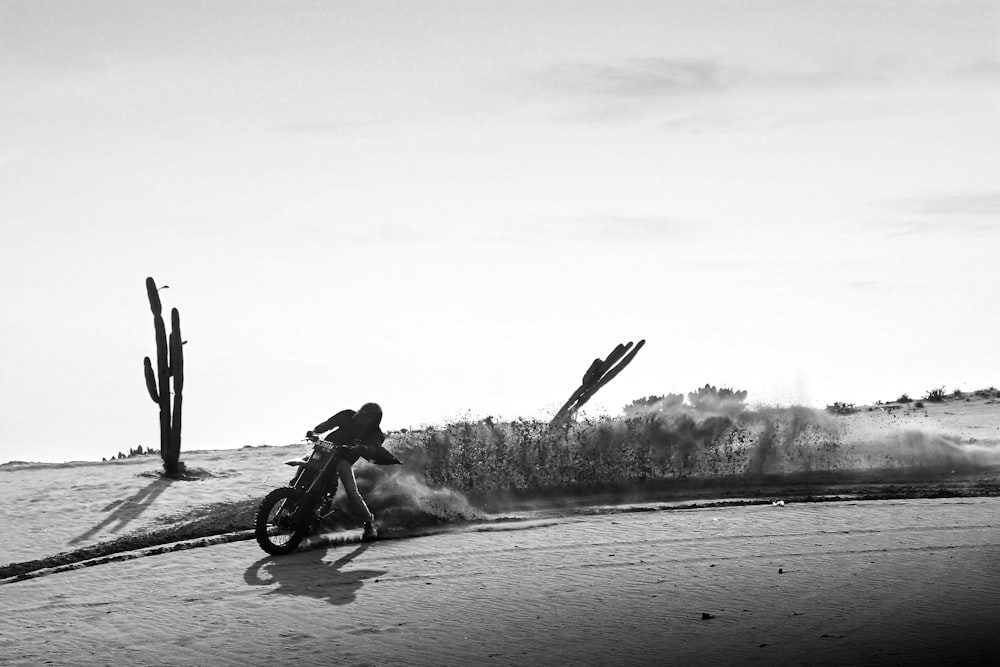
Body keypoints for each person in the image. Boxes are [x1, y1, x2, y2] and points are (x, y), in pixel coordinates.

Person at [305, 402, 394, 542]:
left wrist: (362, 448)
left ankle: (369, 524)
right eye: (360, 416)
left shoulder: (376, 434)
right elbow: (328, 424)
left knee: (352, 493)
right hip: (325, 451)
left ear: (374, 420)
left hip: (343, 459)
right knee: (303, 465)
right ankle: (289, 506)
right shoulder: (347, 415)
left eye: (366, 418)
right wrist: (315, 431)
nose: (360, 419)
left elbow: (374, 448)